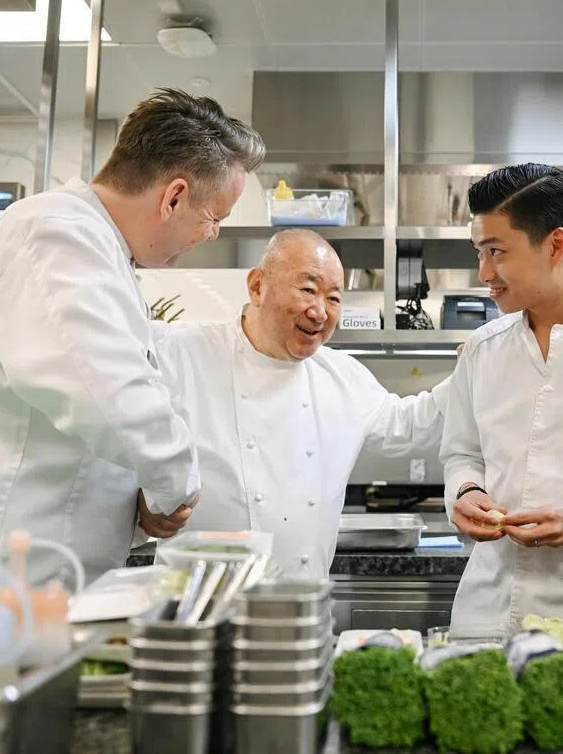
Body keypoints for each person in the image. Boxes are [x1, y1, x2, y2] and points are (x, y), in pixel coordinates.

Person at [0, 89, 266, 583]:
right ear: (173, 196)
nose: (214, 233)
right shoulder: (54, 233)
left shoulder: (99, 250)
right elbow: (112, 394)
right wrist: (175, 489)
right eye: (215, 217)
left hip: (34, 580)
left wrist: (145, 497)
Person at [152, 229, 448, 578]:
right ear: (257, 286)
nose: (320, 312)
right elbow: (111, 430)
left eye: (334, 298)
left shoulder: (342, 377)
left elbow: (412, 424)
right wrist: (142, 500)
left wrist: (479, 365)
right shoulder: (178, 352)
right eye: (308, 289)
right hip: (193, 611)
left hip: (299, 609)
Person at [440, 164, 563, 637]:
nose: (485, 273)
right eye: (480, 253)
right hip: (486, 608)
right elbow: (461, 453)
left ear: (555, 244)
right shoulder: (483, 349)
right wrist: (466, 492)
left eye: (496, 252)